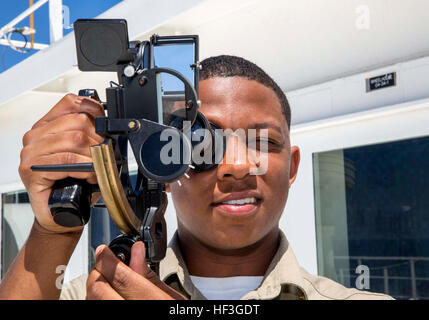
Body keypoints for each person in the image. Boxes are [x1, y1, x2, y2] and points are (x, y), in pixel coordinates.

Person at [0, 55, 393, 300]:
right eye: (203, 142)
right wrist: (53, 231)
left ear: (291, 168)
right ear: (163, 166)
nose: (237, 165)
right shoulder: (86, 294)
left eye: (263, 141)